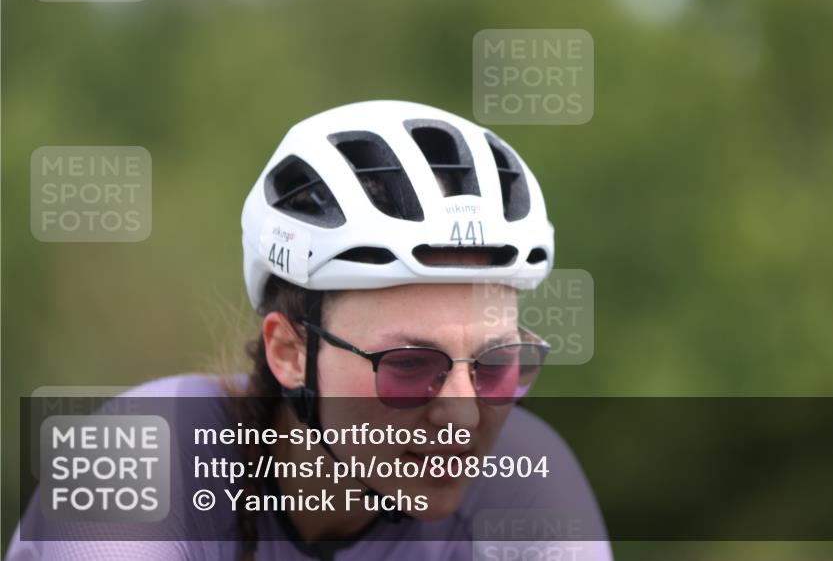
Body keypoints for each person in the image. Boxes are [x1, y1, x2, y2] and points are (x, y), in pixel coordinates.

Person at [8, 101, 612, 560]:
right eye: (407, 366)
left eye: (494, 365)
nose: (462, 418)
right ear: (289, 351)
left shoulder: (526, 480)